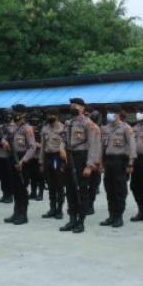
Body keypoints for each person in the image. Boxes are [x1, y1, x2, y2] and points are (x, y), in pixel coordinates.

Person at [59, 98, 101, 233]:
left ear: (82, 108)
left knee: (81, 190)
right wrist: (61, 148)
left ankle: (80, 221)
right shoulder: (68, 122)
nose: (72, 107)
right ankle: (72, 218)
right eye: (71, 105)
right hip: (68, 157)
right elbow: (63, 139)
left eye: (75, 105)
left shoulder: (89, 124)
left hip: (81, 158)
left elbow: (93, 145)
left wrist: (89, 165)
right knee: (70, 189)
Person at [99, 104, 136, 229]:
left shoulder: (126, 128)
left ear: (118, 114)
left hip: (121, 161)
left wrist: (130, 163)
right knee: (109, 189)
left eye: (112, 112)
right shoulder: (105, 128)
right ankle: (111, 215)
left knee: (120, 189)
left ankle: (119, 216)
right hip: (108, 161)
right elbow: (102, 147)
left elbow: (132, 146)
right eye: (108, 112)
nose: (110, 114)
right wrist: (100, 162)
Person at [2, 104, 37, 225]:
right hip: (12, 157)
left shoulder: (27, 128)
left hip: (22, 159)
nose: (14, 115)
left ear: (23, 114)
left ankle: (23, 214)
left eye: (17, 112)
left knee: (22, 188)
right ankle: (16, 212)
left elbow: (32, 147)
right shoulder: (12, 126)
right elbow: (4, 137)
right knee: (14, 187)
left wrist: (23, 161)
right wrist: (4, 141)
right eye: (14, 112)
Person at [40, 107, 66, 220]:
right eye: (48, 115)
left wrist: (64, 162)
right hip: (47, 157)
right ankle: (52, 209)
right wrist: (41, 162)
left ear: (57, 116)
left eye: (52, 115)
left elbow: (65, 144)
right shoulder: (45, 128)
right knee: (50, 185)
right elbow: (42, 147)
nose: (49, 117)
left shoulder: (62, 128)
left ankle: (59, 210)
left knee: (59, 184)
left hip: (57, 158)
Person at [0, 108, 15, 205]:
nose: (8, 116)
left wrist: (4, 139)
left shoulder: (15, 126)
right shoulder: (2, 127)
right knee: (2, 176)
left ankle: (10, 195)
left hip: (9, 154)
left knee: (9, 176)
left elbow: (13, 139)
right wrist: (0, 138)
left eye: (9, 114)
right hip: (1, 154)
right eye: (6, 114)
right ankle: (4, 194)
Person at [85, 109, 102, 216]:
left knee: (92, 185)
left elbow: (98, 147)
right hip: (84, 158)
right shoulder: (86, 127)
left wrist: (97, 162)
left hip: (94, 160)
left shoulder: (97, 129)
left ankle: (90, 205)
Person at [27, 110, 44, 200]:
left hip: (39, 155)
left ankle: (40, 193)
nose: (34, 121)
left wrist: (38, 145)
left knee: (40, 176)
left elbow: (46, 143)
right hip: (31, 155)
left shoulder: (43, 128)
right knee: (32, 175)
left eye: (36, 119)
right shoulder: (28, 129)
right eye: (33, 119)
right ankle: (33, 192)